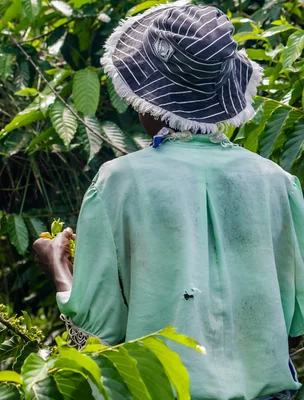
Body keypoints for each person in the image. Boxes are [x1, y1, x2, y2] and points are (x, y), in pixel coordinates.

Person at [32, 3, 304, 400]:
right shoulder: (277, 182)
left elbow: (96, 334)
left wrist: (58, 266)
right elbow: (295, 319)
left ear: (148, 97)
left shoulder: (119, 181)